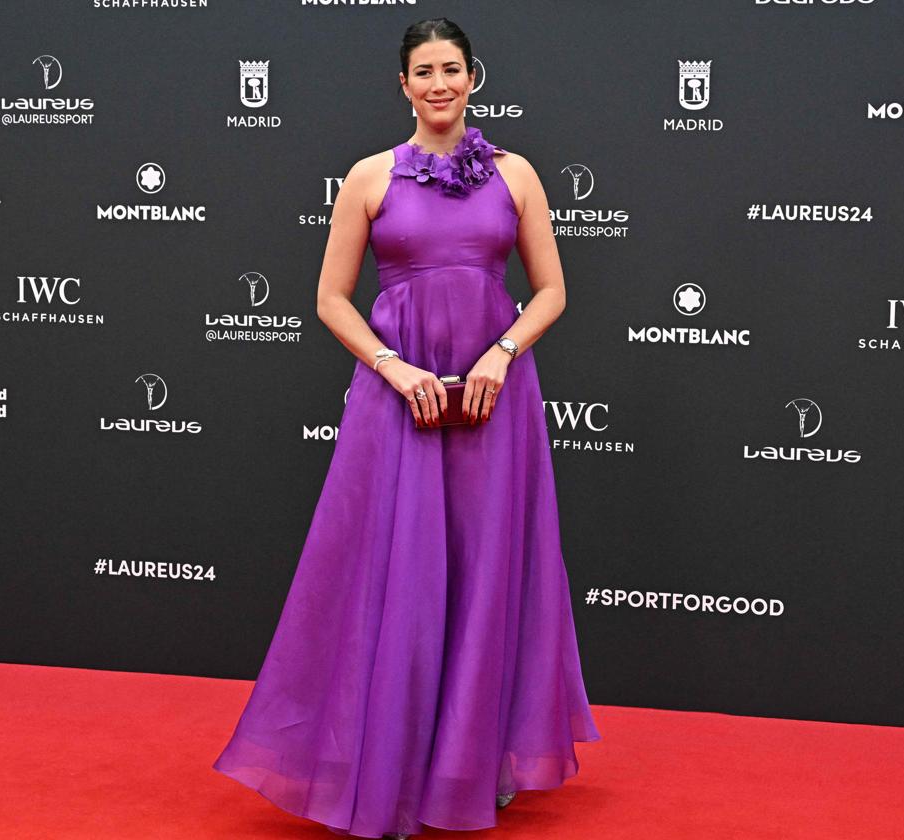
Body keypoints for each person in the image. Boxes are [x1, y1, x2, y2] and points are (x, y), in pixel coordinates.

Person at [212, 17, 601, 839]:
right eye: (422, 71)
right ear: (403, 85)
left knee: (487, 569)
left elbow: (554, 291)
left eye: (451, 69)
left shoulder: (517, 173)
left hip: (495, 402)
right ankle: (389, 767)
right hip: (401, 400)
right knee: (405, 577)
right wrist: (396, 369)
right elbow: (328, 300)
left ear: (473, 77)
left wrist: (501, 354)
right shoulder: (367, 178)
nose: (438, 84)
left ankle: (473, 759)